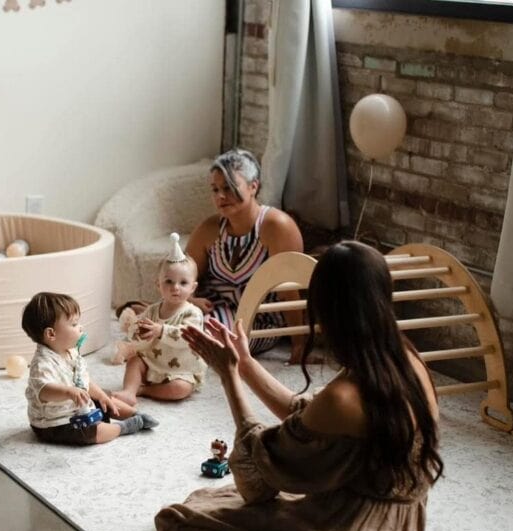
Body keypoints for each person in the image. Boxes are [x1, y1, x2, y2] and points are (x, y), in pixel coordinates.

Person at [151, 241, 442, 531]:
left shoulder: (343, 396)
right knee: (211, 497)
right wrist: (246, 365)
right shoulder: (408, 362)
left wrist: (228, 378)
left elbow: (262, 472)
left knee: (179, 520)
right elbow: (307, 420)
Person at [184, 148, 303, 356]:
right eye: (215, 189)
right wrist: (191, 300)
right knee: (169, 325)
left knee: (196, 340)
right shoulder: (209, 229)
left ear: (253, 187)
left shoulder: (277, 227)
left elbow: (289, 293)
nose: (221, 196)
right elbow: (182, 274)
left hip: (258, 321)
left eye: (229, 187)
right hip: (213, 310)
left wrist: (300, 345)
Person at [21, 291, 158, 445]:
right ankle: (125, 427)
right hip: (57, 422)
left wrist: (100, 396)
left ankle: (135, 414)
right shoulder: (42, 364)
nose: (80, 327)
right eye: (73, 324)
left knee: (106, 398)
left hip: (79, 406)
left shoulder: (71, 352)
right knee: (92, 432)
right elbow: (44, 391)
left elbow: (83, 380)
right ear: (51, 334)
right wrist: (68, 392)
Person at [111, 232, 207, 406]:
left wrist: (161, 330)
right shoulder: (153, 309)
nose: (175, 288)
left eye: (183, 283)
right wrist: (137, 330)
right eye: (169, 281)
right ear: (158, 285)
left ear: (193, 287)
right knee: (134, 362)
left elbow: (187, 336)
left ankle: (143, 390)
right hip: (152, 361)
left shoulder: (193, 313)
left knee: (181, 389)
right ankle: (129, 392)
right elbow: (136, 327)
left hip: (180, 370)